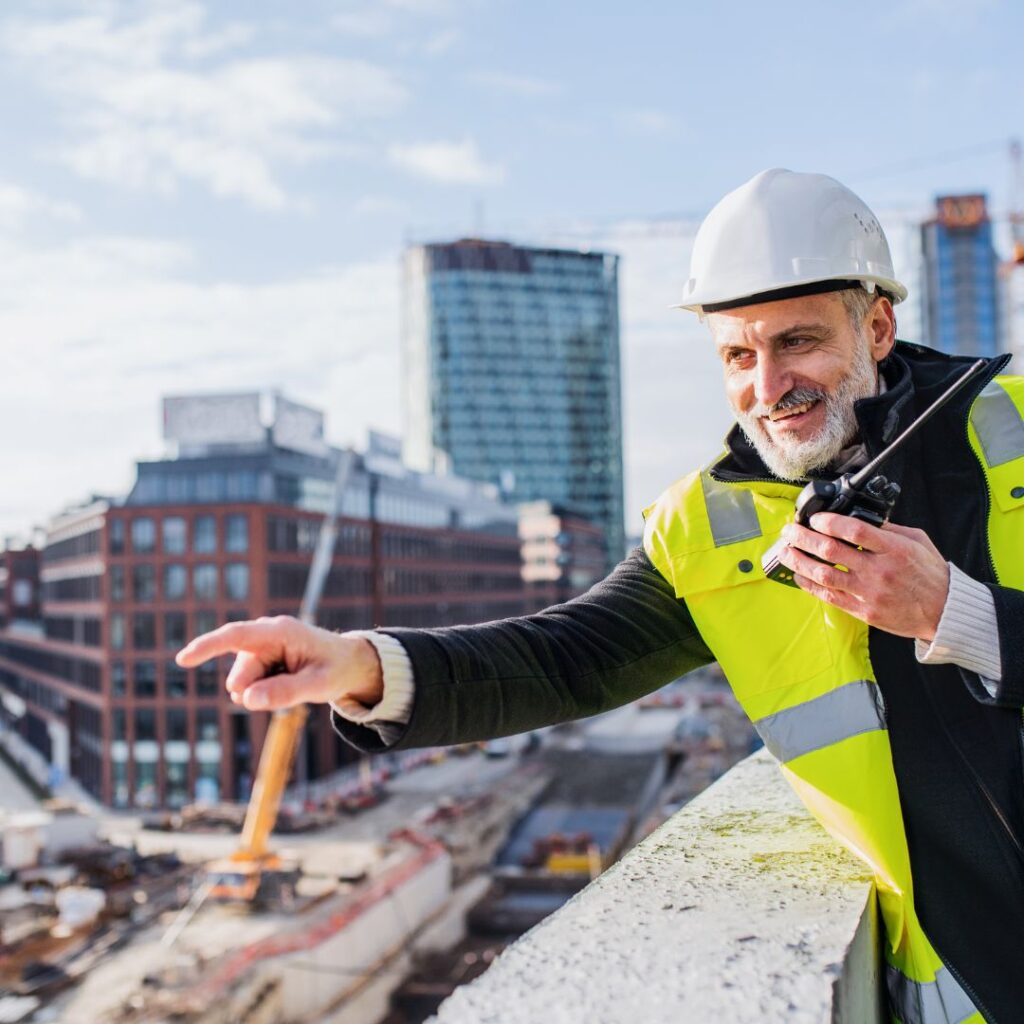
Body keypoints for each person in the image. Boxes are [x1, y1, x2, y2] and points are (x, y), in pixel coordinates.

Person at [177, 169, 1024, 1024]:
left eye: (798, 342)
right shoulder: (708, 524)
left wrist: (956, 614)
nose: (768, 387)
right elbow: (568, 657)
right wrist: (360, 665)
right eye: (738, 355)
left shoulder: (1016, 434)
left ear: (876, 326)